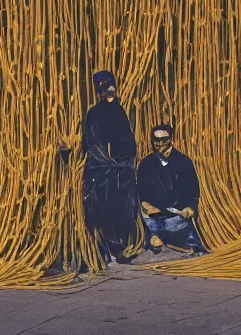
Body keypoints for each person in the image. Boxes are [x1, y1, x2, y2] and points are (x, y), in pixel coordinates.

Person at [80, 70, 140, 264]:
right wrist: (107, 164)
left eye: (110, 85)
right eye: (104, 86)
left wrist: (125, 163)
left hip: (123, 170)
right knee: (105, 207)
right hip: (103, 172)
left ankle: (122, 246)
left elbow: (127, 141)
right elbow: (93, 144)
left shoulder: (120, 111)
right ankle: (110, 249)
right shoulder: (95, 113)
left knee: (125, 207)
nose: (108, 90)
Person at [137, 124, 206, 255]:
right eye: (156, 141)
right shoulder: (146, 164)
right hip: (154, 218)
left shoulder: (184, 162)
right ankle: (155, 240)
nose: (160, 144)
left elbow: (193, 191)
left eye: (164, 140)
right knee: (153, 239)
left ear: (171, 139)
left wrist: (189, 208)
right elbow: (142, 193)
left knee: (193, 245)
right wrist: (148, 207)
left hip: (177, 217)